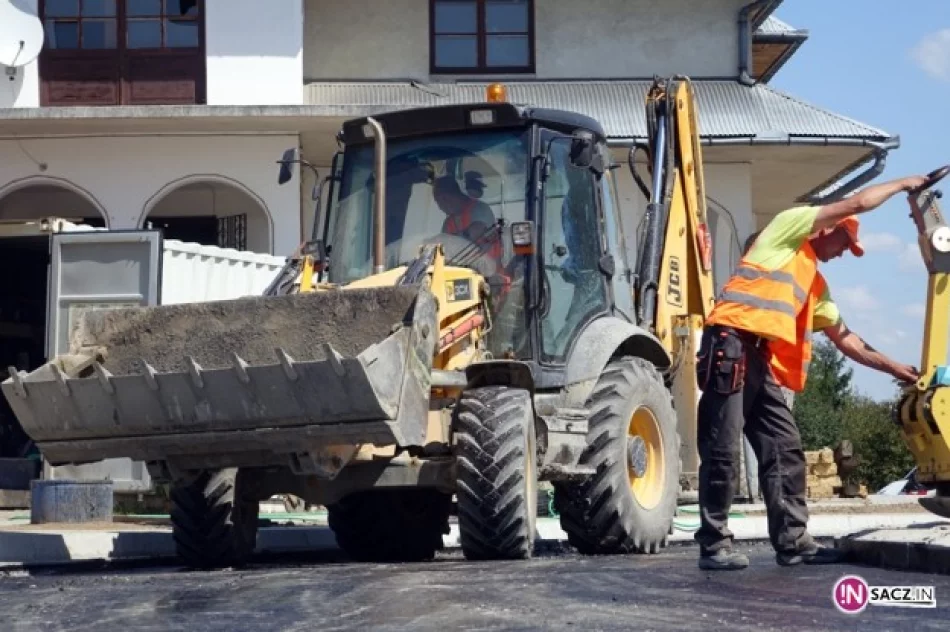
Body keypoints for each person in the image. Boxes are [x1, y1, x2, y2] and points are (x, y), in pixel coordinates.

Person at [694, 173, 928, 571]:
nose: (844, 253)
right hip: (730, 344)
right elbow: (857, 203)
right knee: (722, 448)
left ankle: (794, 543)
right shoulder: (788, 229)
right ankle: (714, 545)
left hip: (757, 358)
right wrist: (903, 184)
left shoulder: (814, 283)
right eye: (845, 242)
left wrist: (898, 369)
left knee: (784, 448)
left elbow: (848, 340)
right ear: (827, 228)